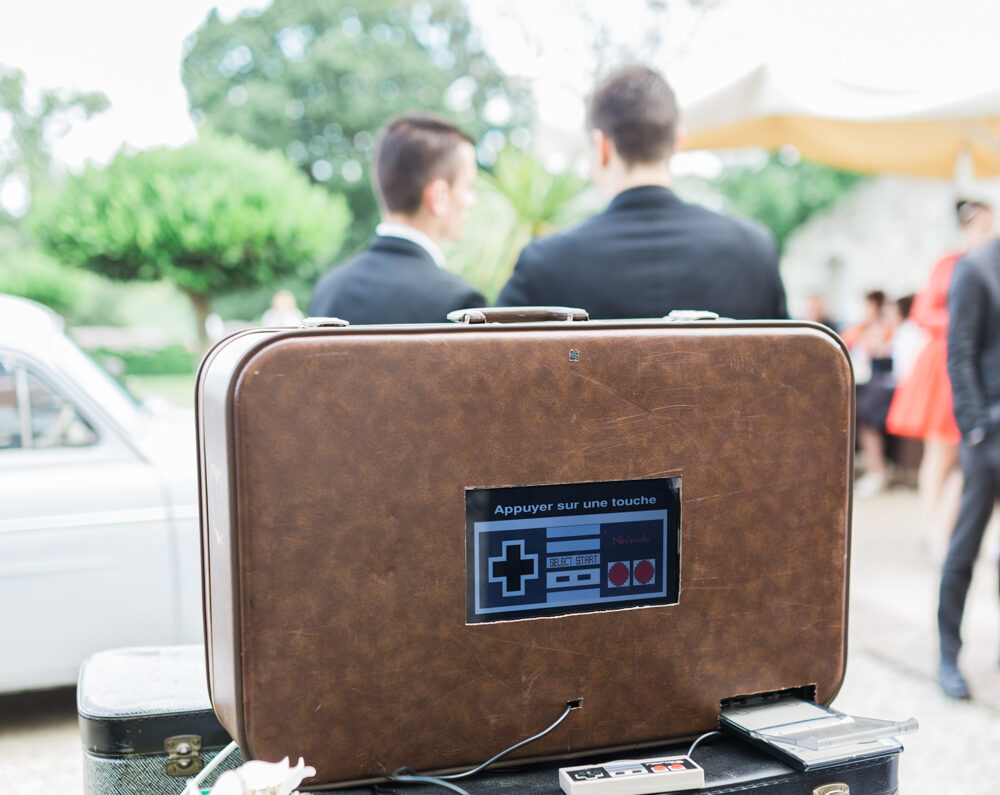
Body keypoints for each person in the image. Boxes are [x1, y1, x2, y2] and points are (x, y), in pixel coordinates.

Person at [495, 66, 788, 320]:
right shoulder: (754, 251)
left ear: (601, 146)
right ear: (678, 141)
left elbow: (486, 366)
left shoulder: (543, 263)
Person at [886, 201, 996, 561]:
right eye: (981, 225)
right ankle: (932, 529)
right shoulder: (949, 263)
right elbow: (922, 312)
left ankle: (962, 530)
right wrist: (966, 322)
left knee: (974, 458)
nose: (988, 231)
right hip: (945, 362)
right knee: (941, 453)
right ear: (966, 228)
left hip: (980, 363)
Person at [309, 112, 485, 324]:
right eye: (468, 187)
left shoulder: (329, 289)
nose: (472, 200)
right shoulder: (459, 305)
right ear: (438, 197)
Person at [937, 226, 1000, 699]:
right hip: (988, 435)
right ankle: (947, 654)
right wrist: (976, 428)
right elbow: (959, 354)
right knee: (965, 548)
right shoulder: (976, 267)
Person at [840, 291, 894, 497]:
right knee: (863, 423)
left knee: (868, 423)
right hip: (866, 383)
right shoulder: (861, 328)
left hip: (880, 385)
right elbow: (846, 340)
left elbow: (880, 351)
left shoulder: (884, 327)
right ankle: (874, 470)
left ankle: (877, 471)